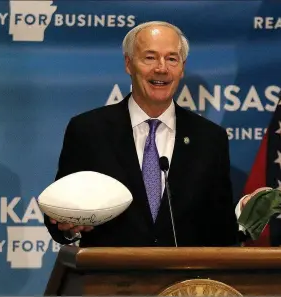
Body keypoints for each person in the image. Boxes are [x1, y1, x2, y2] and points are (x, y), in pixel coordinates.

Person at [44, 21, 253, 247]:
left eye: (172, 59)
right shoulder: (88, 130)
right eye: (150, 58)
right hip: (109, 277)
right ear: (128, 63)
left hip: (184, 279)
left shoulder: (210, 139)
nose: (161, 68)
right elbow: (59, 213)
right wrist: (68, 227)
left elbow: (218, 230)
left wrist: (244, 217)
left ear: (182, 68)